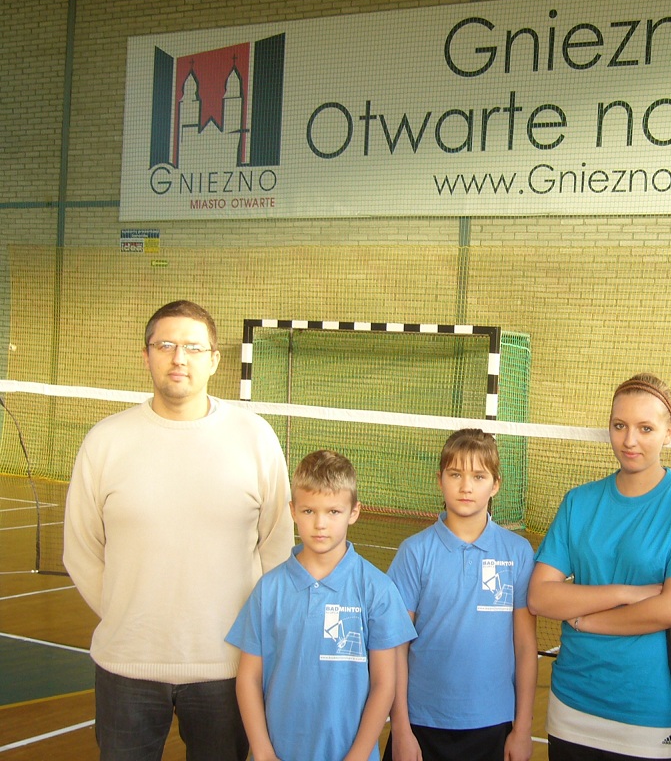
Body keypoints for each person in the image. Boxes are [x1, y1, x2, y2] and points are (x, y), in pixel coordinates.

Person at [63, 299, 294, 761]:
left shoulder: (256, 438)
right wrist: (127, 613)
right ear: (146, 355)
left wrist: (246, 632)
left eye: (192, 347)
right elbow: (81, 549)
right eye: (165, 345)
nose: (178, 358)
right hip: (126, 666)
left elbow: (277, 544)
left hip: (227, 668)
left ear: (215, 360)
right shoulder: (105, 441)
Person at [528, 373, 671, 761]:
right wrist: (625, 593)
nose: (629, 441)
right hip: (573, 700)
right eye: (619, 426)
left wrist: (585, 621)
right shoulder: (579, 501)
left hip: (651, 707)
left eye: (646, 428)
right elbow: (540, 596)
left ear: (669, 432)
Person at [227, 450, 417, 761]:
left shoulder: (377, 590)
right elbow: (248, 678)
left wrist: (358, 755)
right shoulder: (269, 590)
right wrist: (262, 751)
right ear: (292, 511)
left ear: (354, 512)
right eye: (308, 511)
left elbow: (384, 683)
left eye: (333, 512)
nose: (320, 524)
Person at [384, 428, 537, 761]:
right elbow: (396, 648)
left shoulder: (517, 552)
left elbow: (526, 647)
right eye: (455, 474)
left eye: (478, 476)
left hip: (493, 723)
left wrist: (523, 728)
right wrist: (402, 729)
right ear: (439, 480)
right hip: (422, 723)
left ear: (495, 485)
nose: (466, 486)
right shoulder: (414, 552)